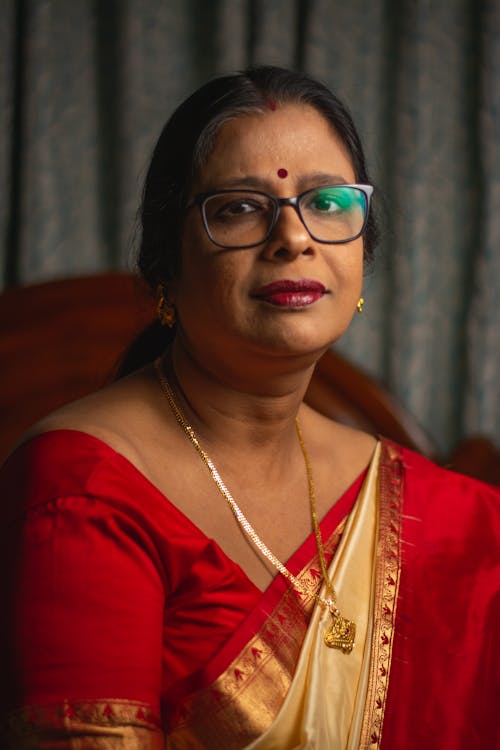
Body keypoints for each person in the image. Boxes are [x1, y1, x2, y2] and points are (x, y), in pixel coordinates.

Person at [0, 66, 498, 750]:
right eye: (238, 207)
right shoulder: (84, 491)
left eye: (328, 202)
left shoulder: (458, 520)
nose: (293, 237)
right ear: (167, 262)